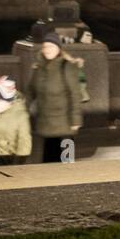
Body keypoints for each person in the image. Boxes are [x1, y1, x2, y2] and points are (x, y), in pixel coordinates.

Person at [27, 32, 82, 162]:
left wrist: (75, 120)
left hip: (66, 124)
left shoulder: (67, 66)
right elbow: (31, 91)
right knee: (49, 163)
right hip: (46, 123)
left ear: (59, 48)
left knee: (67, 161)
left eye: (51, 46)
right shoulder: (38, 67)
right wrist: (21, 108)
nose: (47, 50)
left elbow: (75, 94)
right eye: (45, 46)